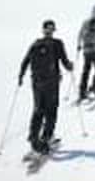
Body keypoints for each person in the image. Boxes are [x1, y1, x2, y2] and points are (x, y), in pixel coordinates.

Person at [18, 19, 73, 154]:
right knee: (51, 110)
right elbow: (65, 62)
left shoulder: (35, 44)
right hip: (52, 83)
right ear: (53, 30)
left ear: (43, 30)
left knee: (38, 109)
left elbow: (25, 61)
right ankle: (46, 138)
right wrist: (70, 66)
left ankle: (33, 136)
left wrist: (21, 76)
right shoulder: (57, 44)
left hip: (36, 82)